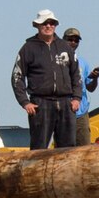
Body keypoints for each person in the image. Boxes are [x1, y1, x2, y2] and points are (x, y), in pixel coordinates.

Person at [11, 10, 80, 150]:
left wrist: (76, 98)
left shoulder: (65, 47)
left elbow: (76, 74)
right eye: (45, 23)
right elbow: (17, 76)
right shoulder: (28, 48)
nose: (48, 26)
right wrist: (25, 102)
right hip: (40, 104)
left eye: (52, 23)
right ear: (37, 25)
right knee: (39, 148)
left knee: (68, 149)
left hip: (66, 103)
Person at [65, 27, 99, 146]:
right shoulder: (57, 61)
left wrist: (94, 78)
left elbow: (90, 87)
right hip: (64, 112)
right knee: (63, 148)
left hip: (81, 113)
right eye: (70, 39)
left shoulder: (83, 62)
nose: (73, 43)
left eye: (76, 40)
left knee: (85, 148)